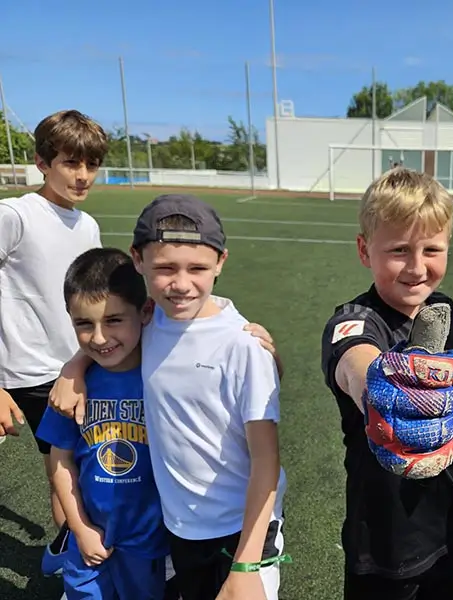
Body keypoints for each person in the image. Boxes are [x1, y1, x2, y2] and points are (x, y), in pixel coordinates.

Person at [49, 194, 288, 600]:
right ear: (137, 259)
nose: (181, 284)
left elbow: (267, 460)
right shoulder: (151, 320)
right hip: (177, 528)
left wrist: (246, 563)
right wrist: (74, 367)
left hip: (242, 529)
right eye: (164, 269)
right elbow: (108, 337)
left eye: (197, 268)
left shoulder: (242, 344)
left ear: (221, 263)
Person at [321, 168, 453, 600]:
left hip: (451, 513)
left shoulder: (442, 310)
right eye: (398, 250)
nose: (417, 267)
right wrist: (379, 386)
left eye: (432, 249)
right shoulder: (354, 320)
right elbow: (355, 359)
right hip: (386, 535)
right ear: (364, 250)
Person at [0, 109, 108, 575]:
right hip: (10, 376)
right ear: (43, 162)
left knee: (66, 474)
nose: (82, 176)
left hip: (63, 373)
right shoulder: (15, 214)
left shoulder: (87, 227)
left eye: (91, 165)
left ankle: (70, 564)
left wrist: (81, 364)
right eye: (70, 163)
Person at [36, 248, 170, 599]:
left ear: (144, 312)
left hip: (150, 544)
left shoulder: (165, 376)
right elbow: (61, 460)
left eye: (113, 320)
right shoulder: (73, 390)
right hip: (88, 540)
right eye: (84, 324)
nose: (98, 337)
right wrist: (79, 528)